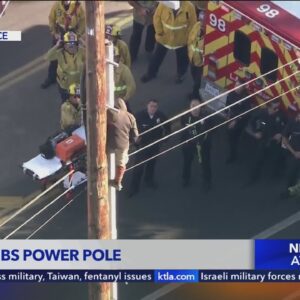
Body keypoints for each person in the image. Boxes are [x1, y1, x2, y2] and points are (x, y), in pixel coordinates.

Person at [141, 1, 196, 84]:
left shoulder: (189, 7)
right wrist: (159, 31)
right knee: (156, 58)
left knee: (183, 59)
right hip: (164, 38)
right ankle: (150, 74)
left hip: (181, 40)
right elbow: (157, 18)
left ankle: (180, 75)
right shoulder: (164, 4)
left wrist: (188, 37)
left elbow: (192, 24)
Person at [129, 99, 170, 197]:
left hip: (154, 146)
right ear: (147, 106)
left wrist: (164, 141)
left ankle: (149, 180)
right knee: (138, 168)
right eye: (151, 106)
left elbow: (168, 127)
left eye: (155, 106)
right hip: (142, 146)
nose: (153, 108)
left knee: (151, 165)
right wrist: (134, 140)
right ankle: (134, 188)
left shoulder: (161, 116)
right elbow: (131, 129)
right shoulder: (139, 116)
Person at [41, 1, 85, 89]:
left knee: (76, 56)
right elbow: (51, 19)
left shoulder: (77, 6)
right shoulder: (56, 6)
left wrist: (79, 34)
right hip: (61, 34)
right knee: (55, 56)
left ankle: (76, 79)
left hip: (73, 34)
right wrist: (54, 33)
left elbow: (83, 20)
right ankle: (51, 77)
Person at [246, 100, 287, 184]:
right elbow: (251, 122)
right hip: (264, 139)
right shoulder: (262, 112)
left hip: (275, 141)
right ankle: (253, 178)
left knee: (277, 158)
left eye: (278, 107)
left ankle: (275, 175)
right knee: (258, 158)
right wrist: (255, 132)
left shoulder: (281, 114)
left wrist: (281, 134)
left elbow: (287, 126)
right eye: (274, 108)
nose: (276, 110)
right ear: (269, 106)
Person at [107, 98, 139, 191]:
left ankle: (104, 176)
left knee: (106, 160)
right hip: (123, 145)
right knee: (121, 163)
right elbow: (135, 136)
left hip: (110, 143)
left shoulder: (112, 113)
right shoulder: (131, 117)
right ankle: (117, 182)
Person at [181, 99, 213, 191]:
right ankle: (185, 178)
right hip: (190, 145)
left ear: (200, 107)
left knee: (205, 164)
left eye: (197, 106)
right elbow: (184, 129)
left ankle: (207, 182)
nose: (195, 108)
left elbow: (213, 128)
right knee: (187, 162)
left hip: (203, 145)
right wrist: (185, 141)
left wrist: (207, 140)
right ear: (190, 107)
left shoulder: (206, 116)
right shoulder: (185, 117)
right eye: (193, 106)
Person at [45, 31, 85, 102]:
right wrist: (56, 46)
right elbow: (47, 57)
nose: (71, 46)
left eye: (73, 43)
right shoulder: (60, 53)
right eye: (68, 44)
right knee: (67, 103)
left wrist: (82, 42)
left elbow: (93, 56)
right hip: (65, 86)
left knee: (81, 104)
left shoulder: (81, 52)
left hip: (79, 84)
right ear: (64, 44)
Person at [225, 79, 252, 163]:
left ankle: (233, 156)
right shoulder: (231, 94)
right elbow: (228, 105)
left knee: (234, 138)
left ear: (243, 87)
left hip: (241, 120)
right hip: (232, 117)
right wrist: (227, 114)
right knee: (230, 135)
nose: (236, 87)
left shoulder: (245, 97)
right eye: (236, 85)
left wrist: (235, 121)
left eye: (239, 86)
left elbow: (246, 112)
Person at [281, 111, 300, 197]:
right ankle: (288, 192)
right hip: (293, 154)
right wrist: (294, 152)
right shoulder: (292, 122)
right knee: (290, 174)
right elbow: (284, 139)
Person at [187, 20, 205, 100]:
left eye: (203, 25)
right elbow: (190, 38)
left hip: (201, 63)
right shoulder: (197, 25)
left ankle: (195, 97)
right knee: (193, 75)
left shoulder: (208, 36)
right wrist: (189, 51)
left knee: (197, 82)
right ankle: (197, 93)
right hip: (193, 58)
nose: (201, 26)